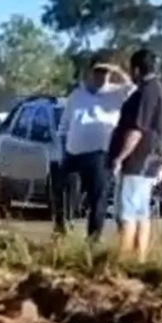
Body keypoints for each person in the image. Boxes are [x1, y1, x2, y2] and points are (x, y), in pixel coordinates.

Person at [55, 56, 133, 241]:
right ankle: (62, 233)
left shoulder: (117, 93)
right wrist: (62, 151)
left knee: (98, 200)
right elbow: (64, 126)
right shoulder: (77, 95)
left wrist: (118, 71)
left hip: (101, 155)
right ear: (90, 73)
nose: (102, 76)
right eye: (98, 72)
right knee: (67, 197)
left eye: (105, 72)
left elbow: (133, 89)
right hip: (74, 154)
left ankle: (93, 239)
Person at [108, 47, 162, 262]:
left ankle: (123, 259)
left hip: (137, 160)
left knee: (126, 212)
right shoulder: (160, 90)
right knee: (141, 212)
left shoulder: (145, 93)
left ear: (136, 69)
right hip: (150, 160)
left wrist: (120, 157)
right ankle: (140, 259)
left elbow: (136, 130)